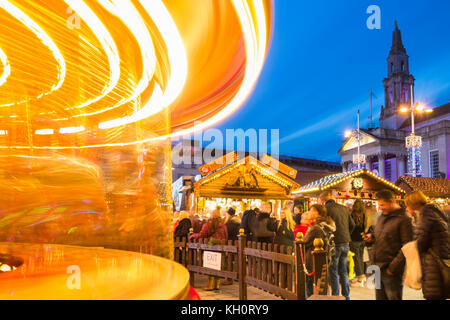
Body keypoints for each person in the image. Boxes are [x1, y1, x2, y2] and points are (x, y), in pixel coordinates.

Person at [362, 189, 413, 300]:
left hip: (391, 270)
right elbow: (378, 234)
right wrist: (371, 237)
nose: (380, 208)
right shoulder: (382, 216)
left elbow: (407, 247)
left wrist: (392, 268)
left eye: (382, 205)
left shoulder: (404, 219)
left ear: (391, 201)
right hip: (377, 267)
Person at [405, 191, 449, 300]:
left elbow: (420, 243)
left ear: (414, 205)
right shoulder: (434, 212)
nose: (406, 209)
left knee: (433, 295)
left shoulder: (426, 216)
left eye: (407, 206)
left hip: (433, 264)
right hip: (438, 260)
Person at [319, 191, 355, 300]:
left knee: (333, 270)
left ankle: (335, 296)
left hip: (334, 242)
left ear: (322, 200)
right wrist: (347, 235)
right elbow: (352, 224)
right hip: (345, 242)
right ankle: (346, 296)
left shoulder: (326, 209)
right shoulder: (343, 208)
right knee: (343, 270)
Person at [190, 208, 228, 291]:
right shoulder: (223, 224)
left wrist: (193, 236)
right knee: (217, 265)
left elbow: (202, 234)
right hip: (220, 246)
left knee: (210, 264)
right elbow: (226, 236)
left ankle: (210, 285)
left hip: (211, 245)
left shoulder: (209, 224)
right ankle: (217, 285)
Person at [303, 204, 336, 298]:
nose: (309, 212)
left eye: (311, 210)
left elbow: (304, 242)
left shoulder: (316, 228)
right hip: (325, 258)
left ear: (318, 213)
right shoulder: (326, 224)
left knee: (311, 286)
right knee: (323, 284)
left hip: (312, 260)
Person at [349, 199, 366, 286]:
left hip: (353, 239)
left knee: (356, 258)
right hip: (362, 239)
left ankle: (360, 276)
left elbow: (351, 227)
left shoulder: (352, 215)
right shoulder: (364, 215)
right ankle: (362, 274)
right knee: (361, 257)